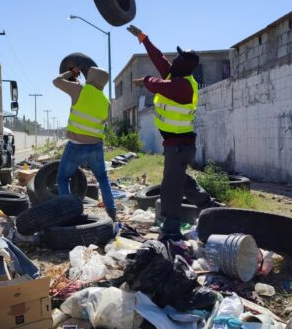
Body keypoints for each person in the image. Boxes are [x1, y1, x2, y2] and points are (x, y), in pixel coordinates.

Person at [127, 25, 220, 242]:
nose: (173, 61)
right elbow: (159, 59)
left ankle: (170, 229)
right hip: (177, 143)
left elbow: (160, 85)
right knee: (181, 180)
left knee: (170, 186)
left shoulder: (183, 86)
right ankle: (210, 207)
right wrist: (144, 39)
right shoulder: (176, 75)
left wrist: (146, 80)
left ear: (184, 66)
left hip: (180, 144)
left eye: (178, 59)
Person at [53, 66, 117, 222]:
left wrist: (71, 72)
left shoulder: (80, 90)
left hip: (76, 145)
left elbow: (56, 81)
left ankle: (69, 212)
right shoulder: (106, 102)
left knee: (62, 179)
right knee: (102, 179)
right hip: (95, 145)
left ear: (91, 77)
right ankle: (112, 213)